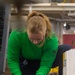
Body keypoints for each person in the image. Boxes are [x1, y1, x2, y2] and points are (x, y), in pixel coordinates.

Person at [7, 11, 72, 75]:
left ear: (45, 33)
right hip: (25, 63)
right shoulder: (17, 34)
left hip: (43, 61)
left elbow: (45, 65)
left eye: (39, 39)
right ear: (26, 31)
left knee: (66, 48)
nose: (35, 42)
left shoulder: (51, 39)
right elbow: (13, 60)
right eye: (31, 38)